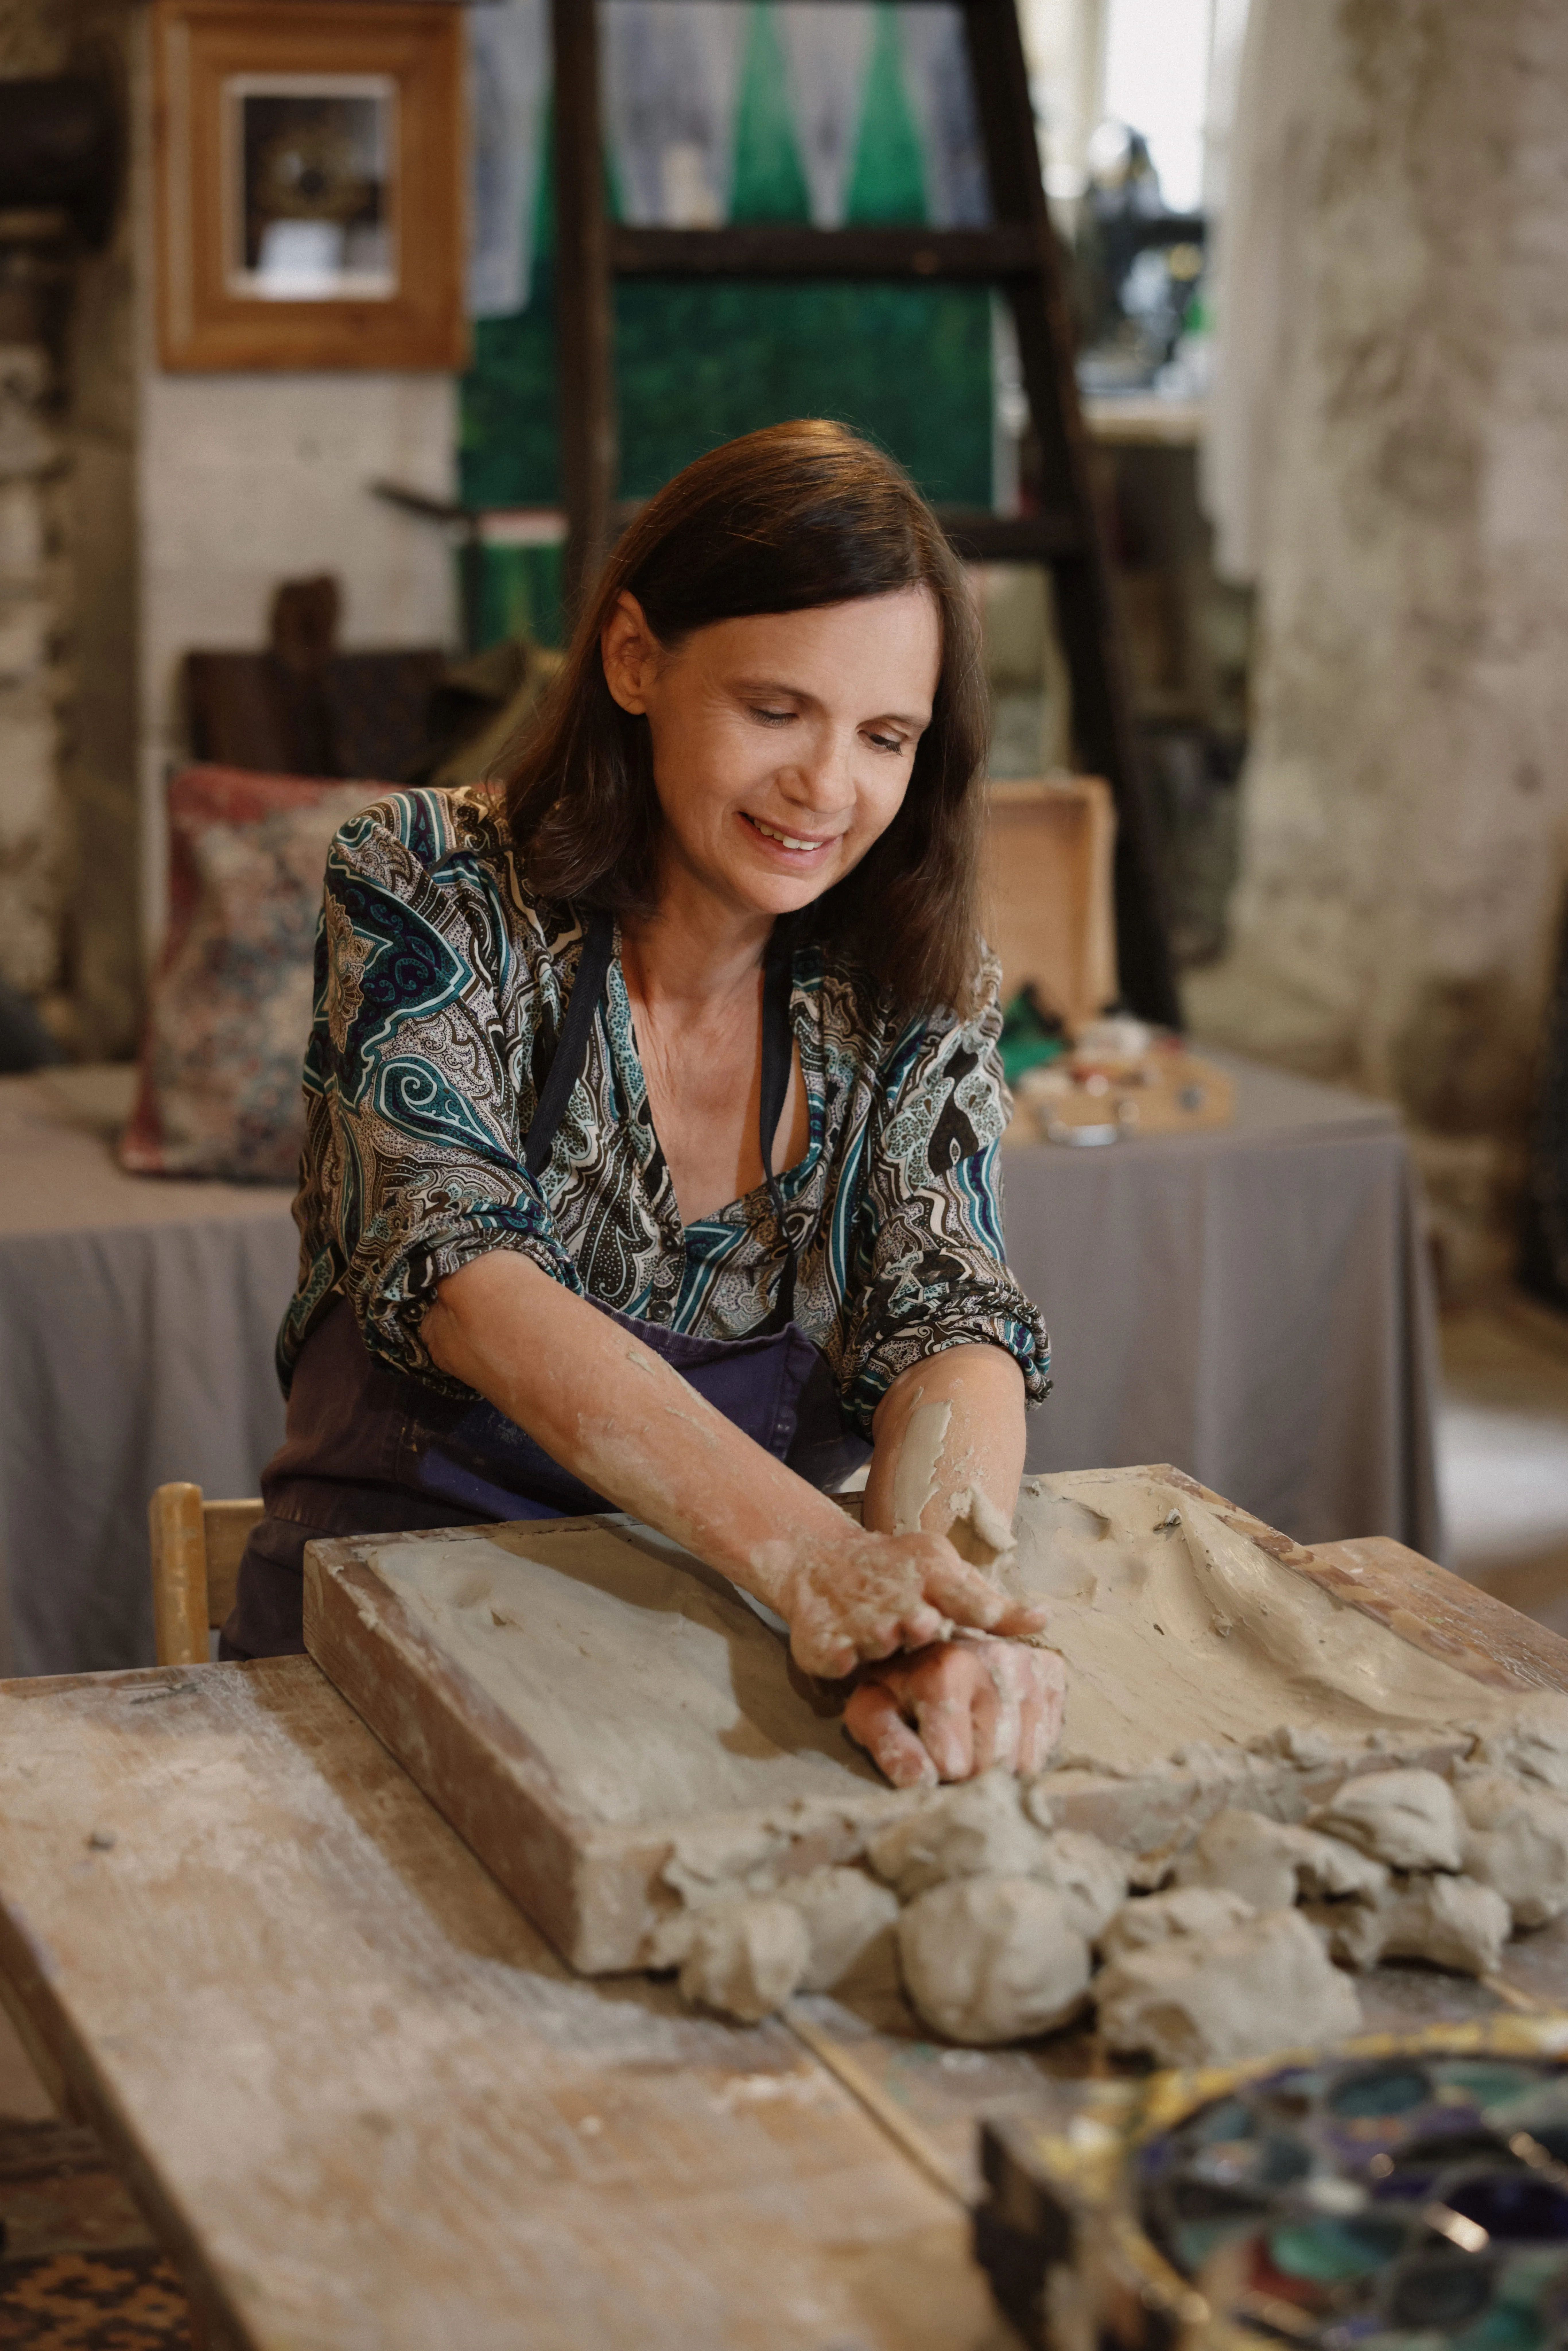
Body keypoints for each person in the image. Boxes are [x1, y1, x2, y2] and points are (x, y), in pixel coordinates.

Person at [225, 419, 1065, 1789]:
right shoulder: (430, 884)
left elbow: (947, 1311)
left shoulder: (911, 981)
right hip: (393, 1623)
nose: (827, 787)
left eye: (885, 736)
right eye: (775, 709)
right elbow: (463, 1270)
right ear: (634, 659)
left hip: (733, 1654)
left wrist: (929, 1609)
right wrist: (817, 1555)